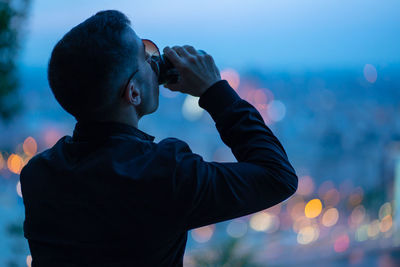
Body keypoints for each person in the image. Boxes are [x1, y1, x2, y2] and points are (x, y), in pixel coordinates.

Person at [20, 10, 298, 267]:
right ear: (134, 93)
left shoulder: (38, 175)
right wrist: (214, 91)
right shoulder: (165, 173)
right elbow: (277, 177)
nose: (156, 64)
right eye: (146, 59)